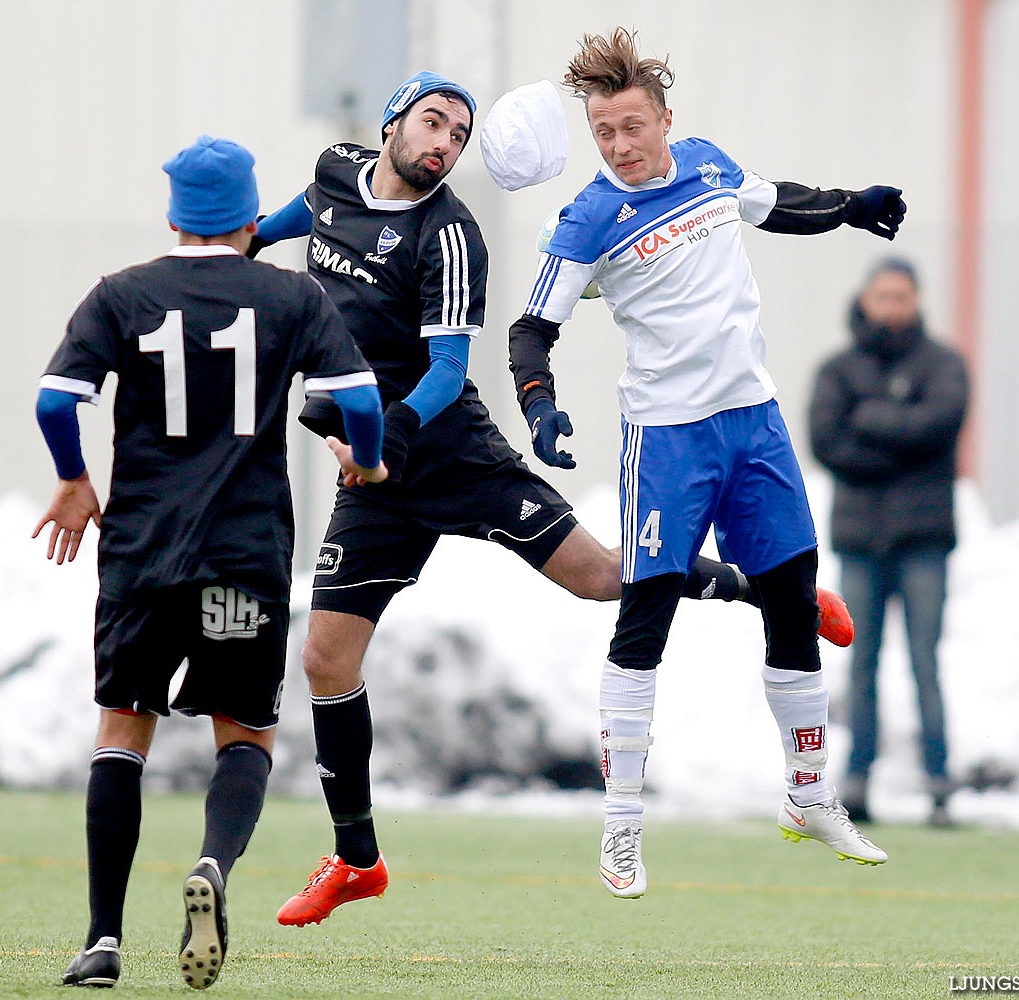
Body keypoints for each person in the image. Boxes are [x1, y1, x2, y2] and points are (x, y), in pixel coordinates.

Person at [246, 70, 846, 927]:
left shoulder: (451, 236)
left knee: (605, 577)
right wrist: (249, 242)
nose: (444, 143)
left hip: (447, 450)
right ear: (391, 124)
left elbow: (450, 370)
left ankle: (762, 592)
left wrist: (394, 437)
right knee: (326, 660)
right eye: (432, 123)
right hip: (377, 475)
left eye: (457, 134)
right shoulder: (337, 168)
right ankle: (355, 860)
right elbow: (309, 209)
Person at [509, 27, 906, 899]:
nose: (619, 145)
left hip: (753, 423)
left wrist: (849, 203)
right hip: (669, 436)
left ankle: (807, 796)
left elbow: (776, 202)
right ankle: (619, 828)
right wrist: (539, 406)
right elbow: (532, 327)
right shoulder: (585, 219)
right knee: (645, 616)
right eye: (604, 131)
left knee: (792, 602)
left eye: (631, 127)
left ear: (664, 120)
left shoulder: (708, 166)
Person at [35, 136, 384, 989]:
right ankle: (214, 868)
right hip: (244, 554)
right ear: (249, 218)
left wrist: (75, 482)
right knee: (247, 733)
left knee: (122, 734)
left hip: (142, 556)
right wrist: (366, 461)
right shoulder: (290, 295)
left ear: (172, 217)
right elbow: (362, 399)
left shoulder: (121, 295)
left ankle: (102, 941)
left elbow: (56, 400)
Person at [807, 258, 968, 827]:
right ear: (866, 298)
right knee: (861, 664)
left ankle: (940, 784)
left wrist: (870, 419)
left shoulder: (945, 364)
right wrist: (900, 435)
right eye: (884, 295)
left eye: (903, 296)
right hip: (860, 541)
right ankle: (857, 781)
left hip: (925, 539)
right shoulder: (837, 369)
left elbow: (940, 424)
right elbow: (826, 441)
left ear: (917, 300)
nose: (893, 306)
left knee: (926, 662)